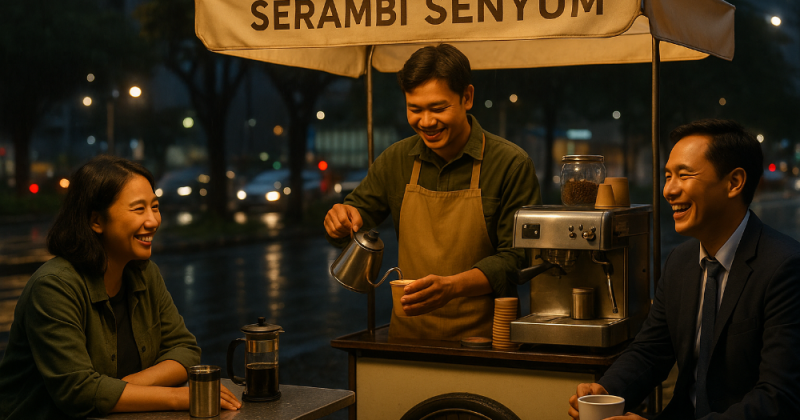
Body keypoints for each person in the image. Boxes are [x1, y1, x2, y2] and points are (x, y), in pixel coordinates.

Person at [568, 119, 800, 419]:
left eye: (684, 175)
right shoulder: (681, 260)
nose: (668, 190)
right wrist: (606, 390)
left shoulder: (785, 266)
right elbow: (651, 350)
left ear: (734, 182)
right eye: (668, 176)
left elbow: (778, 398)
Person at [324, 44, 541, 341]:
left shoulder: (511, 164)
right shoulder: (396, 160)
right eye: (415, 109)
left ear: (467, 97)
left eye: (438, 108)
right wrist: (339, 221)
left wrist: (452, 287)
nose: (426, 122)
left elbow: (518, 258)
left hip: (486, 342)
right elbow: (355, 217)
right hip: (408, 340)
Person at [0, 156, 241, 419]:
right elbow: (77, 391)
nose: (153, 221)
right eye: (138, 209)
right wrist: (178, 397)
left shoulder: (145, 273)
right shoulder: (54, 286)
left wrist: (125, 387)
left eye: (155, 207)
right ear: (96, 221)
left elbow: (185, 350)